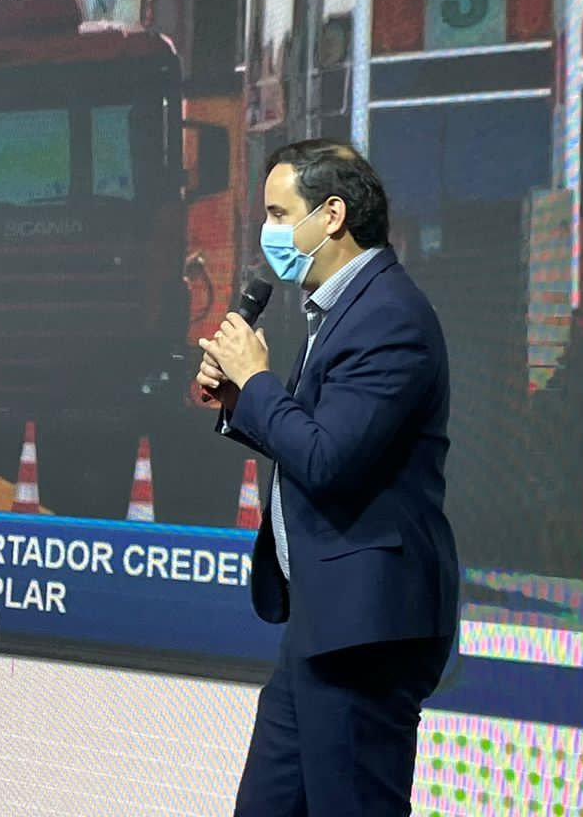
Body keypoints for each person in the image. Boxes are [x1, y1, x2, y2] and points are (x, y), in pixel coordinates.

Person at [197, 139, 459, 817]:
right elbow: (312, 437)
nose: (268, 234)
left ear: (332, 215)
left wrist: (257, 380)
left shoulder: (388, 315)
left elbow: (327, 460)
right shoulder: (339, 309)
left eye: (279, 215)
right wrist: (239, 398)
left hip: (366, 632)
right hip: (323, 625)